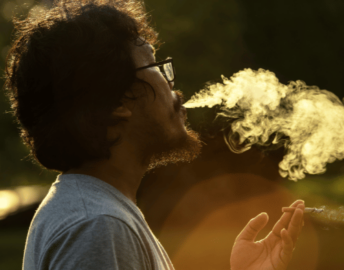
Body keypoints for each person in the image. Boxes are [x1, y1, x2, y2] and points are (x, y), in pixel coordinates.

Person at [4, 0, 305, 269]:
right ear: (119, 102)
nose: (175, 88)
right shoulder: (99, 226)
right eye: (157, 68)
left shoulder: (100, 212)